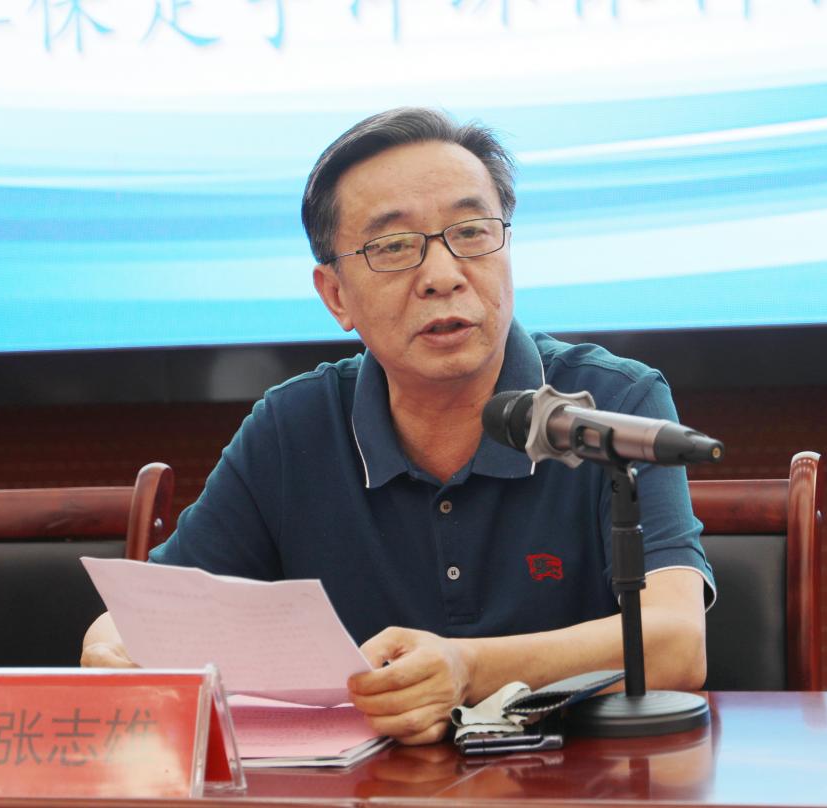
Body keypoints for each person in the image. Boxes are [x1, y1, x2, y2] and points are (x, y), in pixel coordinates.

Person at [82, 107, 715, 745]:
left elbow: (677, 643)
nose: (443, 276)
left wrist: (468, 668)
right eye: (393, 247)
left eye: (471, 232)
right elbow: (141, 620)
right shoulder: (292, 429)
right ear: (336, 296)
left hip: (579, 782)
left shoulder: (609, 405)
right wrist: (112, 647)